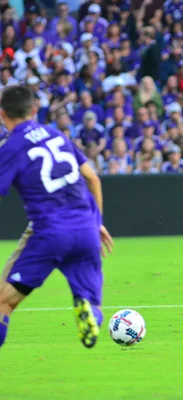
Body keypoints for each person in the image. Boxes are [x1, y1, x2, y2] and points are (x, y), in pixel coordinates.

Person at [0, 86, 114, 349]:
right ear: (34, 109)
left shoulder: (11, 147)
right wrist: (97, 223)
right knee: (90, 300)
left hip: (50, 232)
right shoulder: (57, 135)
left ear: (3, 114)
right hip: (86, 228)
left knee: (3, 303)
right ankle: (90, 313)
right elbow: (93, 178)